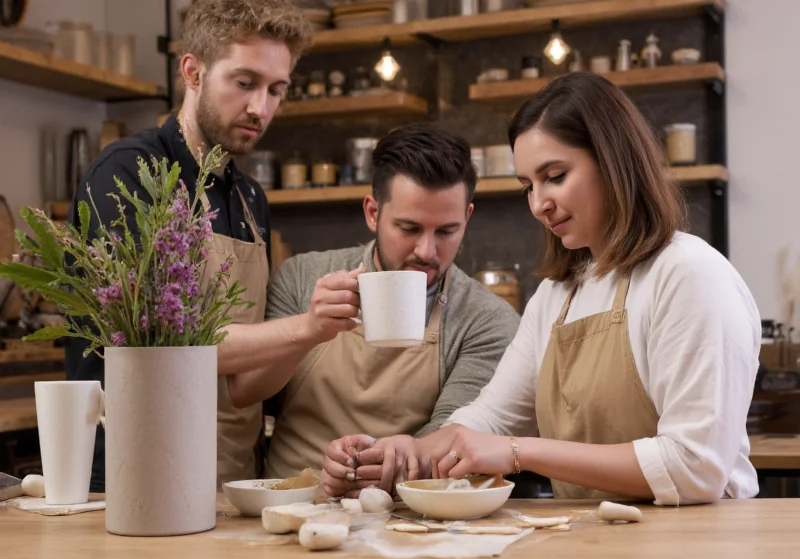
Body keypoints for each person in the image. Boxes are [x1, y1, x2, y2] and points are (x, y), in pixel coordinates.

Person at [323, 72, 761, 506]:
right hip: (599, 536)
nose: (538, 204)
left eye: (555, 176)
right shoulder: (556, 295)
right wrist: (410, 450)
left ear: (613, 161)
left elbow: (695, 468)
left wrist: (518, 452)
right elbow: (492, 418)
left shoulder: (689, 275)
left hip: (695, 538)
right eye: (528, 186)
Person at [65, 0, 312, 491]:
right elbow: (163, 344)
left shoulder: (250, 199)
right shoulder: (128, 173)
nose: (260, 108)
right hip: (131, 478)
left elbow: (243, 380)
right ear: (193, 73)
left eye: (275, 90)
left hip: (232, 481)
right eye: (244, 83)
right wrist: (305, 327)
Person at [227, 123, 520, 487]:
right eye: (409, 228)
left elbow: (453, 435)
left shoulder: (487, 319)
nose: (427, 251)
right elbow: (246, 393)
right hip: (288, 502)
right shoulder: (303, 276)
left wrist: (375, 463)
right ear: (373, 213)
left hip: (408, 507)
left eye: (447, 231)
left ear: (467, 218)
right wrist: (307, 330)